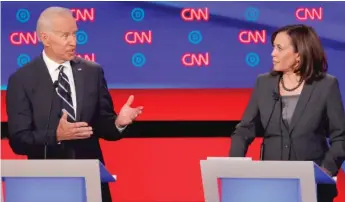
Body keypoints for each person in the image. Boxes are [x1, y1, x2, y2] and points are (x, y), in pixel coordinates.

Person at [6, 7, 143, 202]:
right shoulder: (22, 80)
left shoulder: (92, 72)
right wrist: (56, 135)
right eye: (65, 36)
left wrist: (118, 123)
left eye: (74, 34)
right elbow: (19, 141)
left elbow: (102, 126)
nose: (73, 41)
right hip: (45, 184)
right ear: (45, 38)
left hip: (91, 184)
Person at [229, 24, 345, 202]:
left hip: (314, 189)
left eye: (279, 48)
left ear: (299, 54)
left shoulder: (326, 85)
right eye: (273, 47)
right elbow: (245, 130)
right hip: (272, 186)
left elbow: (341, 137)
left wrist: (325, 172)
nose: (272, 54)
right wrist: (233, 168)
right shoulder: (264, 83)